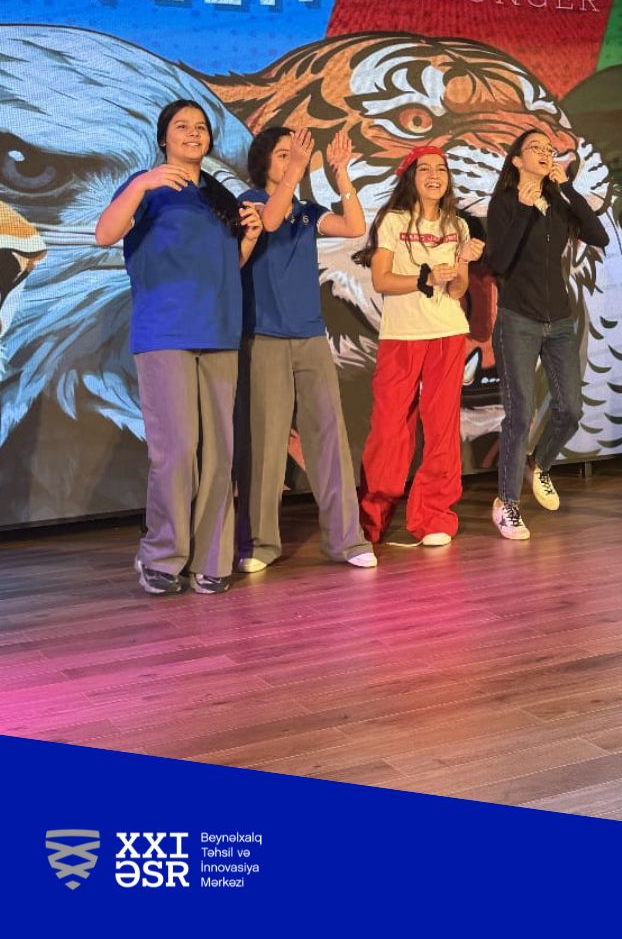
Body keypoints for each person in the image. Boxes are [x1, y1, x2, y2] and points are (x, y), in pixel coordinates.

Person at [94, 99, 262, 595]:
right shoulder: (147, 186)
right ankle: (162, 556)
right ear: (163, 137)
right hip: (165, 332)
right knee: (177, 450)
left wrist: (248, 240)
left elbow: (223, 267)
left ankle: (212, 558)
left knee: (219, 452)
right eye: (182, 126)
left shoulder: (218, 195)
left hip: (219, 331)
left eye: (201, 127)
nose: (193, 133)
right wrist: (142, 184)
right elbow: (104, 235)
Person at [234, 124, 377, 573]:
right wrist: (297, 168)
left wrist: (342, 174)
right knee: (266, 442)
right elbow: (270, 222)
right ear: (263, 162)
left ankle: (346, 539)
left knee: (329, 437)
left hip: (311, 336)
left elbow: (355, 227)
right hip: (265, 336)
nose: (292, 158)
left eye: (294, 153)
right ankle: (259, 543)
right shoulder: (251, 202)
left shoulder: (307, 212)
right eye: (282, 154)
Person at [352, 145, 484, 547]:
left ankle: (434, 516)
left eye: (441, 169)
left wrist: (463, 261)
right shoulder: (393, 220)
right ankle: (371, 520)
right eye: (425, 169)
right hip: (402, 336)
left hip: (447, 332)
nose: (434, 175)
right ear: (411, 177)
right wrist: (425, 278)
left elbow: (458, 290)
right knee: (390, 430)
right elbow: (382, 280)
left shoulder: (457, 224)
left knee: (442, 428)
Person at [484, 130, 609, 540]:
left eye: (548, 149)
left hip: (559, 320)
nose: (543, 153)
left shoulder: (558, 202)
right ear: (517, 160)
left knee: (570, 409)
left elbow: (599, 236)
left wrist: (567, 187)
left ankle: (539, 465)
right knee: (520, 414)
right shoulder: (504, 203)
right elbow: (499, 263)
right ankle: (507, 503)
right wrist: (523, 211)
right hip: (518, 319)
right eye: (534, 148)